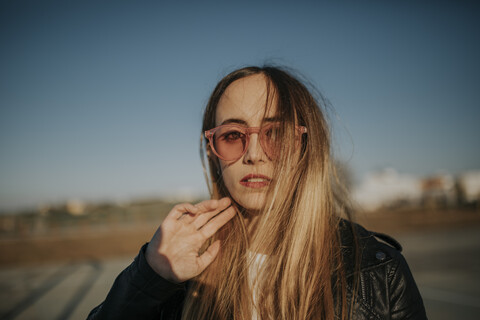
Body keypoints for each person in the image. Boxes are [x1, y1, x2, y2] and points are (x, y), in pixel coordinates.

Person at [87, 66, 427, 319]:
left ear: (305, 147)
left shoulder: (379, 272)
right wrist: (151, 275)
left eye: (274, 133)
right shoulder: (179, 272)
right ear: (212, 152)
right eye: (233, 135)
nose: (254, 153)